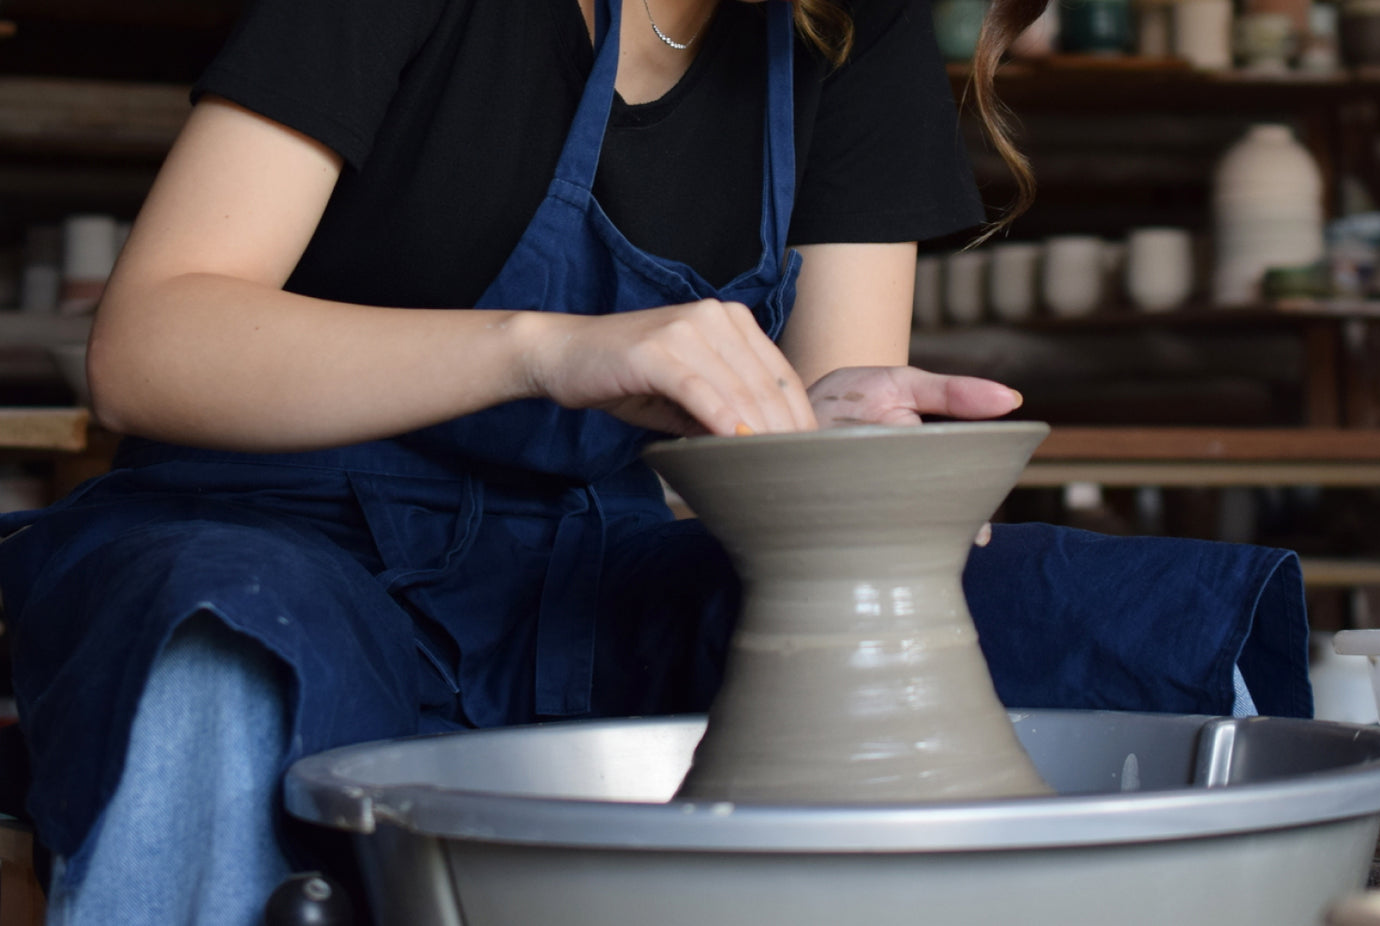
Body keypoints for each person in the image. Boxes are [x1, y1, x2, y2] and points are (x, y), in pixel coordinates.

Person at [0, 0, 1310, 922]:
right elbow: (152, 340)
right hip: (284, 531)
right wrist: (543, 348)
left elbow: (810, 422)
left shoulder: (853, 20)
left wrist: (847, 431)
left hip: (591, 563)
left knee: (1113, 629)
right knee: (232, 652)